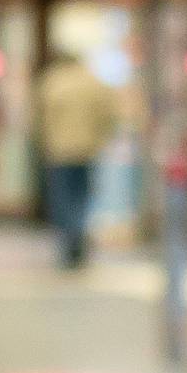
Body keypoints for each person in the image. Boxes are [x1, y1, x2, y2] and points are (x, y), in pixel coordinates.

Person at [34, 52, 122, 269]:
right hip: (86, 149)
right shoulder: (93, 83)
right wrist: (101, 138)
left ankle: (69, 240)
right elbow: (109, 114)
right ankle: (78, 236)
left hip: (59, 150)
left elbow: (40, 116)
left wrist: (43, 141)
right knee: (82, 196)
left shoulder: (53, 82)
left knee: (63, 198)